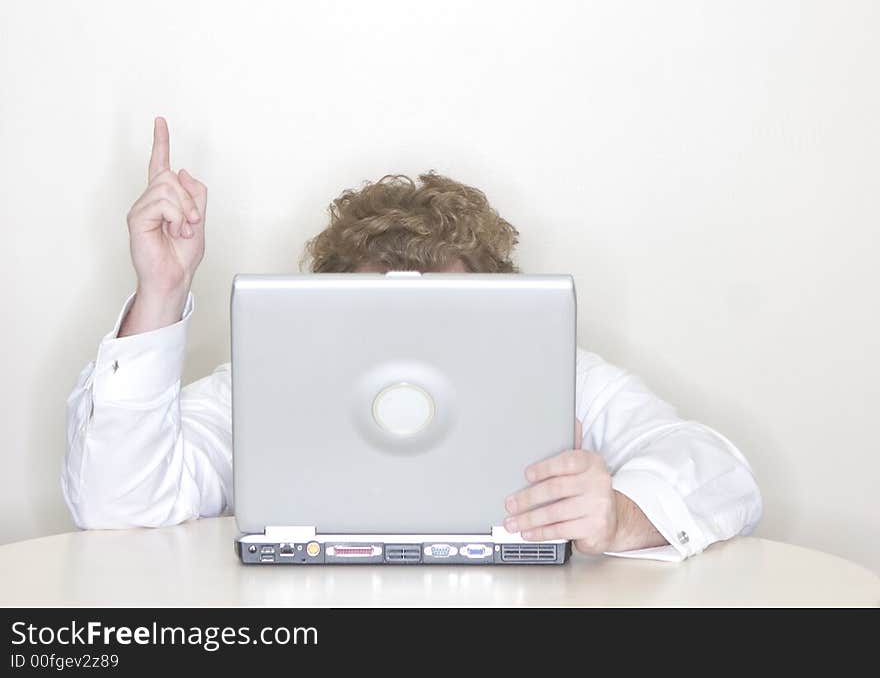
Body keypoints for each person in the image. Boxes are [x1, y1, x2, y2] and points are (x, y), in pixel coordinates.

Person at [62, 117, 762, 558]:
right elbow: (119, 505)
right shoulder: (269, 381)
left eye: (444, 311)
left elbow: (719, 470)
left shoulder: (558, 377)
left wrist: (621, 515)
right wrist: (162, 290)